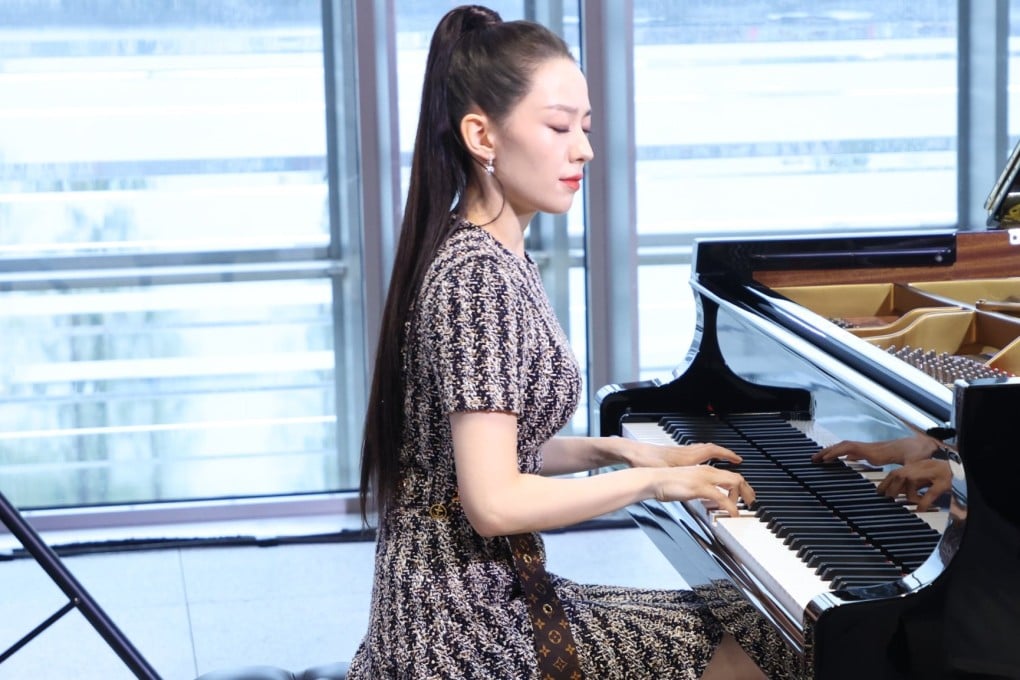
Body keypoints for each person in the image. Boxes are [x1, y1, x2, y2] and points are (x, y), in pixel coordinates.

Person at [347, 6, 798, 679]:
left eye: (584, 127)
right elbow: (494, 501)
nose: (583, 148)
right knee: (764, 644)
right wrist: (651, 482)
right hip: (462, 632)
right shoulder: (477, 278)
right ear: (482, 135)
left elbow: (493, 445)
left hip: (478, 599)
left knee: (757, 626)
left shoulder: (491, 255)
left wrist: (613, 450)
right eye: (558, 127)